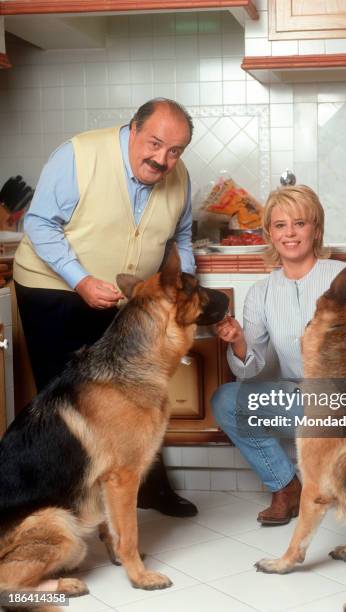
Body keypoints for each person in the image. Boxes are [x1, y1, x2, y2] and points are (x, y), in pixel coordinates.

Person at [13, 98, 198, 518]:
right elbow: (39, 223)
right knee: (68, 402)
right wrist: (79, 279)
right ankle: (59, 502)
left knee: (140, 393)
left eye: (175, 151)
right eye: (154, 143)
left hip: (122, 301)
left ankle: (151, 487)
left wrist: (182, 287)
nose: (163, 158)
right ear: (132, 129)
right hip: (54, 290)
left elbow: (181, 239)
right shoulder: (79, 155)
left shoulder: (179, 177)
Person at [211, 185, 346, 525]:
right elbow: (250, 370)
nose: (290, 233)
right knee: (227, 400)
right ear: (269, 234)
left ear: (316, 229)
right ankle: (286, 488)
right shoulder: (261, 293)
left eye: (300, 223)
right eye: (280, 225)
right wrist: (238, 341)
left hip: (344, 403)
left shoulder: (344, 277)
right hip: (296, 400)